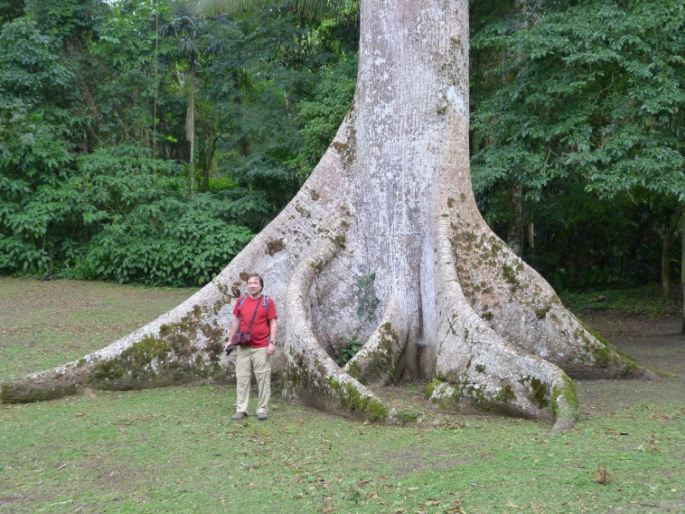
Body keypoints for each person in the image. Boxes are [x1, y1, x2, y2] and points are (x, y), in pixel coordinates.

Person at [224, 273, 278, 421]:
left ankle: (262, 409)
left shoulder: (268, 302)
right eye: (249, 283)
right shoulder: (241, 302)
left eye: (255, 283)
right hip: (243, 346)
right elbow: (236, 322)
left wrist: (272, 343)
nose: (252, 285)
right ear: (246, 285)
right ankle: (241, 409)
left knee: (263, 378)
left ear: (261, 286)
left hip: (261, 346)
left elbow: (273, 323)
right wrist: (230, 340)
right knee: (242, 377)